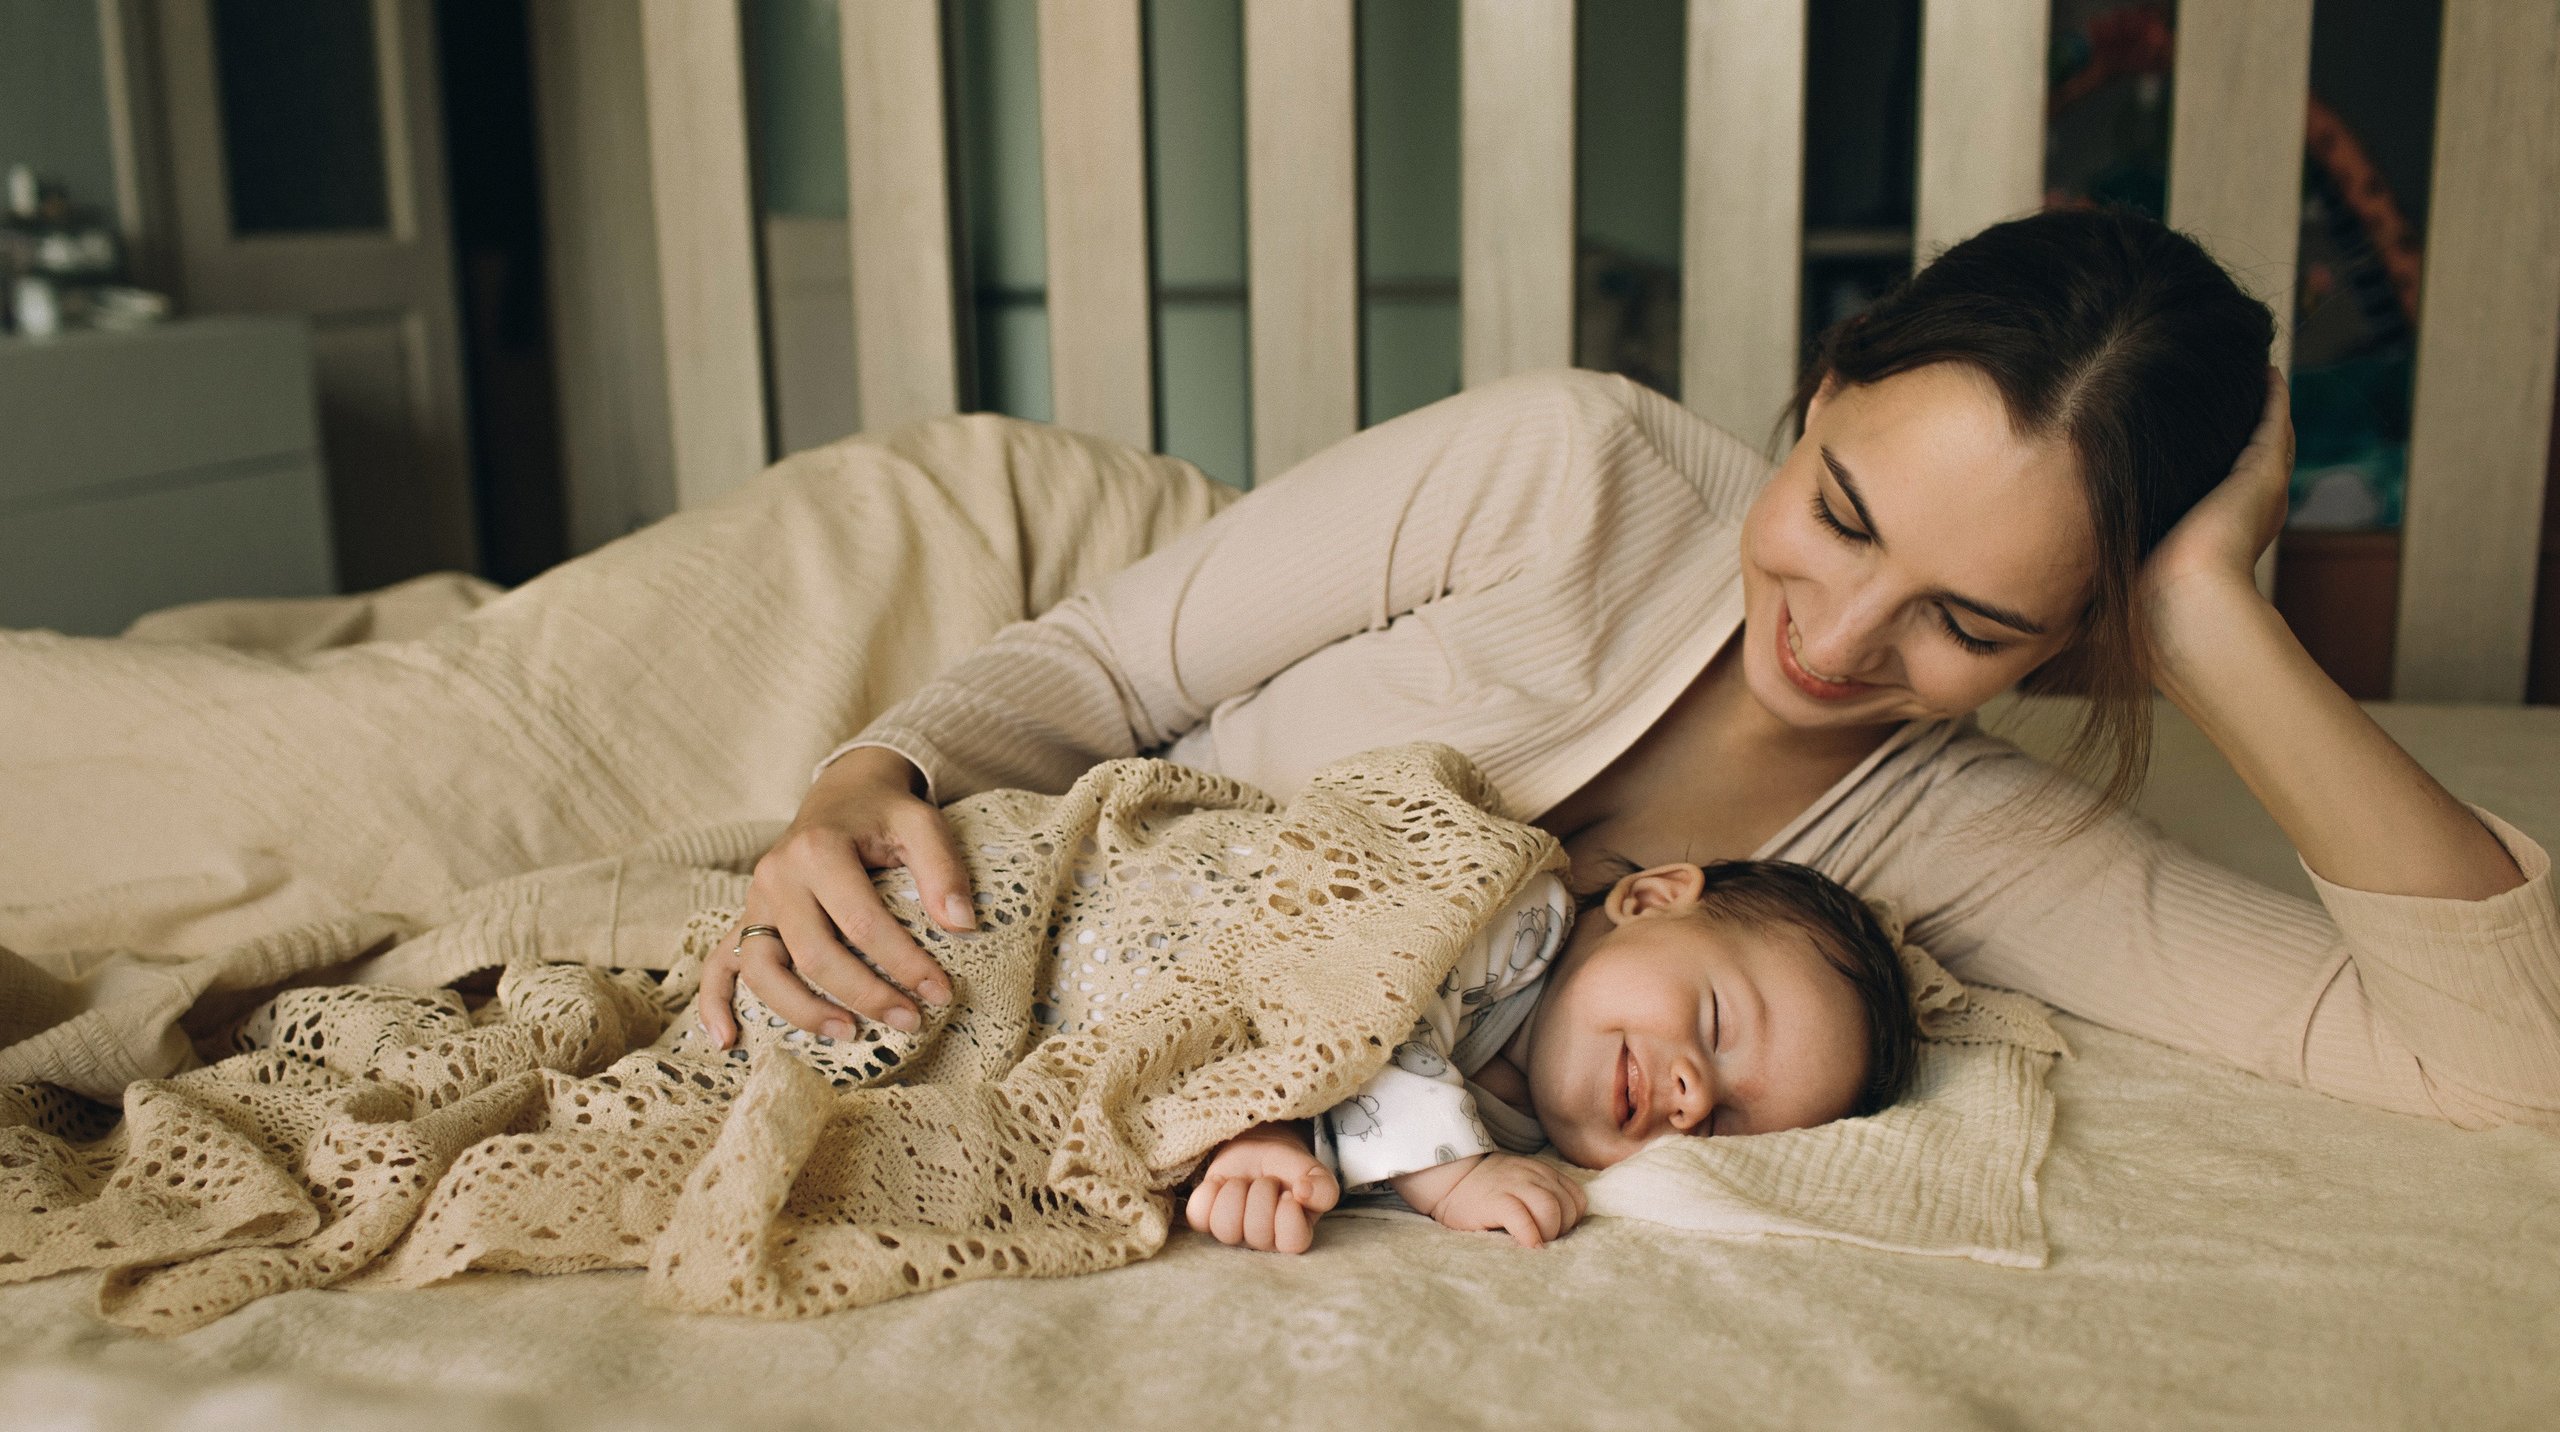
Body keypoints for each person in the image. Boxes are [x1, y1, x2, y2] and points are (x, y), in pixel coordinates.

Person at [699, 207, 2560, 1146]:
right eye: (1838, 510)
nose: (1835, 642)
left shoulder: (1981, 844)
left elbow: (2509, 1058)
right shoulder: (1571, 466)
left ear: (2081, 636)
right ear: (1824, 394)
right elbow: (1098, 661)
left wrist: (2224, 620)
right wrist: (878, 775)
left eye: (1968, 623)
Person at [1187, 856, 1915, 1255]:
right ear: (1652, 898)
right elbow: (1359, 1009)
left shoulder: (1529, 1141)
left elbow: (1327, 1085)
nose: (1693, 1098)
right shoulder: (1514, 916)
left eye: (1722, 1125)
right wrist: (1456, 1177)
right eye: (1717, 1021)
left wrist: (1266, 1141)